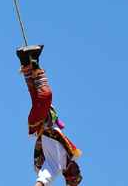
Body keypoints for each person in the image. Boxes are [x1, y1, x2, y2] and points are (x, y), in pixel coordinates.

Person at [17, 45, 82, 186]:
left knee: (46, 96)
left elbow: (43, 181)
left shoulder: (55, 167)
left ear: (68, 175)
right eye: (79, 171)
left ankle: (33, 60)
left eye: (76, 173)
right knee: (35, 93)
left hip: (39, 123)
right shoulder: (65, 153)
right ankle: (25, 60)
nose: (78, 169)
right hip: (46, 120)